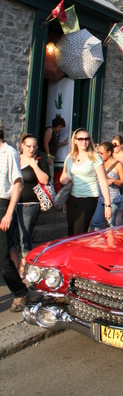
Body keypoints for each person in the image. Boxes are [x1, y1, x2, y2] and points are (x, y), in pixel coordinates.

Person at [9, 133, 49, 278]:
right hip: (12, 203)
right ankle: (15, 264)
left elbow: (45, 180)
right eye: (28, 146)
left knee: (24, 236)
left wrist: (33, 165)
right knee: (9, 236)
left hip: (30, 204)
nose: (31, 149)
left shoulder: (39, 161)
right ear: (22, 146)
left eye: (34, 146)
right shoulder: (15, 159)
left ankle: (24, 268)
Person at [59, 128, 112, 236]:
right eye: (81, 139)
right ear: (75, 141)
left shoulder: (94, 157)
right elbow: (63, 176)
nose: (84, 141)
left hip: (89, 197)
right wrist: (63, 180)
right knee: (71, 230)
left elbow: (103, 181)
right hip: (72, 197)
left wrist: (108, 205)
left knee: (79, 230)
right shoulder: (70, 157)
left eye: (87, 139)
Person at [0, 127, 29, 313]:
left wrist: (9, 213)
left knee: (3, 259)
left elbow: (18, 184)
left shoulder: (9, 152)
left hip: (2, 206)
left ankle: (20, 292)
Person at [90, 142, 123, 230]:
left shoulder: (118, 165)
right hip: (99, 196)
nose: (99, 155)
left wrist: (113, 180)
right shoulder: (98, 163)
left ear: (109, 152)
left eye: (101, 153)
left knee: (109, 223)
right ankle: (95, 238)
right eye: (98, 152)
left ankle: (110, 238)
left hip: (112, 198)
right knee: (95, 222)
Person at [41, 116, 68, 182]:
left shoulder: (54, 133)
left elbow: (53, 144)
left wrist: (62, 143)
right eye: (60, 127)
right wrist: (48, 156)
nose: (60, 129)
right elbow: (45, 143)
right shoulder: (50, 130)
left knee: (51, 174)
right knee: (50, 174)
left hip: (51, 156)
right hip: (47, 155)